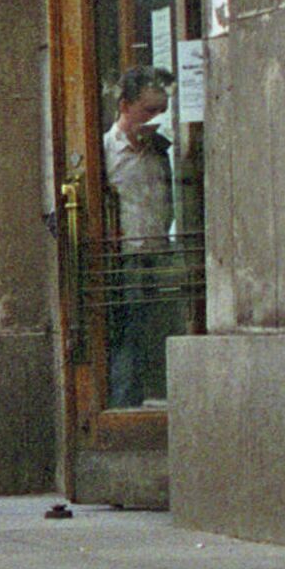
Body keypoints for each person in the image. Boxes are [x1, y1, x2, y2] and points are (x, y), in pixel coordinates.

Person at [103, 65, 175, 409]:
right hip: (127, 257)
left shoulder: (159, 150)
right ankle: (124, 402)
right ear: (125, 107)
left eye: (161, 111)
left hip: (161, 251)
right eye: (148, 111)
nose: (154, 119)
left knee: (159, 330)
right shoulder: (106, 150)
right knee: (129, 333)